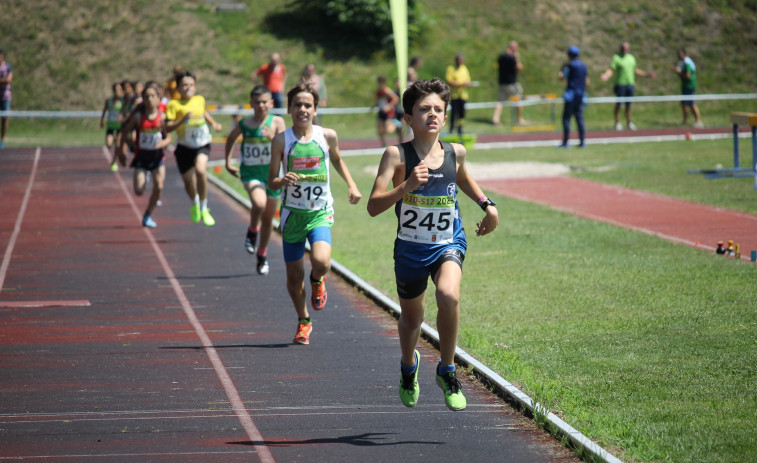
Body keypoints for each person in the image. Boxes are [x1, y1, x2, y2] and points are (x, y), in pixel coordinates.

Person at [366, 78, 499, 411]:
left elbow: (463, 176)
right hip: (410, 249)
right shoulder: (396, 155)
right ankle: (408, 367)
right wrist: (406, 185)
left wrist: (487, 205)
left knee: (449, 295)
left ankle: (447, 369)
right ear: (408, 118)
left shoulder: (456, 151)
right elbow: (373, 205)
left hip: (447, 242)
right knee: (412, 320)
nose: (432, 114)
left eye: (438, 109)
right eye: (424, 109)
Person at [268, 82, 362, 345]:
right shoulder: (281, 140)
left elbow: (337, 159)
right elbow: (271, 182)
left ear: (315, 109)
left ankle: (318, 279)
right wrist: (281, 179)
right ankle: (303, 320)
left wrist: (352, 185)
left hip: (319, 212)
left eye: (307, 105)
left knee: (321, 262)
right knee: (293, 276)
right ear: (289, 108)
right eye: (297, 104)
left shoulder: (327, 136)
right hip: (292, 216)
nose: (302, 109)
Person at [224, 85, 286, 275]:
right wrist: (227, 162)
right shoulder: (245, 124)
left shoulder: (276, 122)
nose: (261, 106)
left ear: (271, 103)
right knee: (258, 204)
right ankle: (252, 230)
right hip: (251, 174)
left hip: (273, 176)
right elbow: (230, 139)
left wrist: (273, 137)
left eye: (264, 102)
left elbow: (287, 144)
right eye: (257, 102)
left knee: (268, 220)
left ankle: (262, 254)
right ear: (251, 104)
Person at [164, 70, 223, 226]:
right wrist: (181, 120)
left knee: (201, 170)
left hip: (202, 144)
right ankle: (195, 202)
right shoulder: (173, 105)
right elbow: (167, 128)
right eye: (184, 85)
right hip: (184, 147)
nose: (188, 88)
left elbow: (203, 112)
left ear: (195, 86)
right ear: (178, 88)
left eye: (191, 85)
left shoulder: (199, 100)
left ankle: (204, 208)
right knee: (188, 182)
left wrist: (213, 123)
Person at [117, 81, 171, 228]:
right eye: (147, 97)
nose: (150, 99)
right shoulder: (139, 117)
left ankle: (147, 215)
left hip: (158, 158)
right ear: (143, 99)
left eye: (153, 96)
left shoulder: (163, 116)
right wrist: (121, 151)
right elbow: (124, 132)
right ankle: (145, 177)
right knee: (139, 191)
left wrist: (163, 144)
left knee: (159, 186)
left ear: (159, 98)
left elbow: (169, 137)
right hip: (142, 158)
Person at [600, 42, 655, 131]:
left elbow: (635, 70)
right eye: (623, 48)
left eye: (626, 48)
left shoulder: (631, 58)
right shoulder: (616, 58)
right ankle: (617, 122)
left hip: (630, 84)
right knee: (619, 104)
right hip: (620, 84)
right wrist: (606, 75)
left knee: (629, 105)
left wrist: (646, 75)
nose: (624, 50)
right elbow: (611, 69)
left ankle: (629, 122)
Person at [558, 46, 589, 148]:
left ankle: (566, 142)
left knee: (566, 118)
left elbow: (562, 77)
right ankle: (582, 141)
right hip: (580, 95)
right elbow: (587, 81)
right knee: (579, 118)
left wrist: (562, 70)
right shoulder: (583, 66)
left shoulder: (570, 66)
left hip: (571, 95)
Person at [492, 41, 526, 126]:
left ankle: (495, 119)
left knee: (500, 102)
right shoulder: (512, 57)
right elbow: (519, 67)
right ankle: (519, 119)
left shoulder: (501, 56)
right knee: (518, 100)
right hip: (511, 84)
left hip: (502, 82)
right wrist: (517, 57)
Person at [672, 48, 703, 128]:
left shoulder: (687, 63)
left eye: (680, 55)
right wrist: (677, 71)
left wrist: (679, 72)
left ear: (684, 54)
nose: (678, 56)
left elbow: (687, 75)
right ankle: (685, 120)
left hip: (690, 85)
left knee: (691, 104)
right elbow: (680, 72)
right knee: (684, 103)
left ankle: (698, 121)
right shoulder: (681, 62)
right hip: (685, 85)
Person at [445, 54, 472, 136]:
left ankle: (460, 128)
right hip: (454, 95)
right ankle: (451, 128)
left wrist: (467, 84)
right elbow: (449, 80)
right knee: (453, 112)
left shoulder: (464, 69)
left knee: (462, 113)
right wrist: (459, 84)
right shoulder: (451, 68)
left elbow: (468, 80)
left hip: (463, 95)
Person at [100, 81, 124, 171]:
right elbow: (104, 110)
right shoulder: (109, 101)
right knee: (109, 144)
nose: (117, 91)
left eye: (119, 90)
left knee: (118, 146)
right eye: (116, 90)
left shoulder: (123, 101)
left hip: (119, 127)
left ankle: (114, 162)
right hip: (111, 126)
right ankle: (114, 139)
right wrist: (101, 121)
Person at [375, 75, 402, 147]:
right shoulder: (378, 91)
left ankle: (396, 124)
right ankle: (384, 145)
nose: (380, 84)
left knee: (388, 130)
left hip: (388, 112)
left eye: (381, 82)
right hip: (381, 111)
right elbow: (379, 101)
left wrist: (389, 107)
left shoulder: (386, 90)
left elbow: (396, 99)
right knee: (380, 130)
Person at [0, 49, 12, 148]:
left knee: (4, 119)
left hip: (5, 96)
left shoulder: (7, 66)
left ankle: (2, 139)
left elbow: (8, 80)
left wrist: (4, 80)